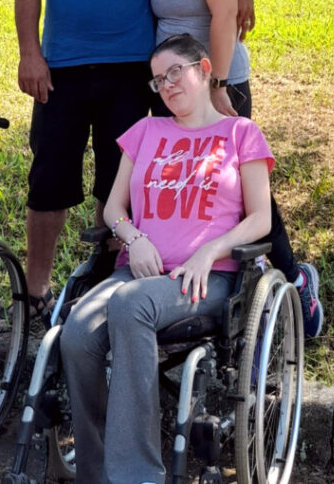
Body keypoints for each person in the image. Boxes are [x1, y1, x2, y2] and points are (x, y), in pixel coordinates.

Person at [14, 0, 257, 320]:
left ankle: (104, 276)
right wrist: (30, 53)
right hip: (61, 67)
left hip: (131, 70)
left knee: (120, 181)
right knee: (49, 178)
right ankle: (35, 290)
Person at [60, 34, 273, 484]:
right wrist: (133, 239)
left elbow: (261, 220)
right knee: (77, 331)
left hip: (206, 279)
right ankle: (96, 471)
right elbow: (114, 209)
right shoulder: (146, 132)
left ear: (204, 67)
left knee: (130, 305)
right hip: (138, 273)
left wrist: (210, 251)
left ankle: (137, 476)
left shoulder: (241, 134)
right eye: (159, 80)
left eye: (176, 71)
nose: (168, 84)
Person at [143, 0, 324, 337]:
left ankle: (294, 279)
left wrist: (217, 85)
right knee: (199, 186)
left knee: (245, 190)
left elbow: (224, 15)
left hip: (216, 80)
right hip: (176, 83)